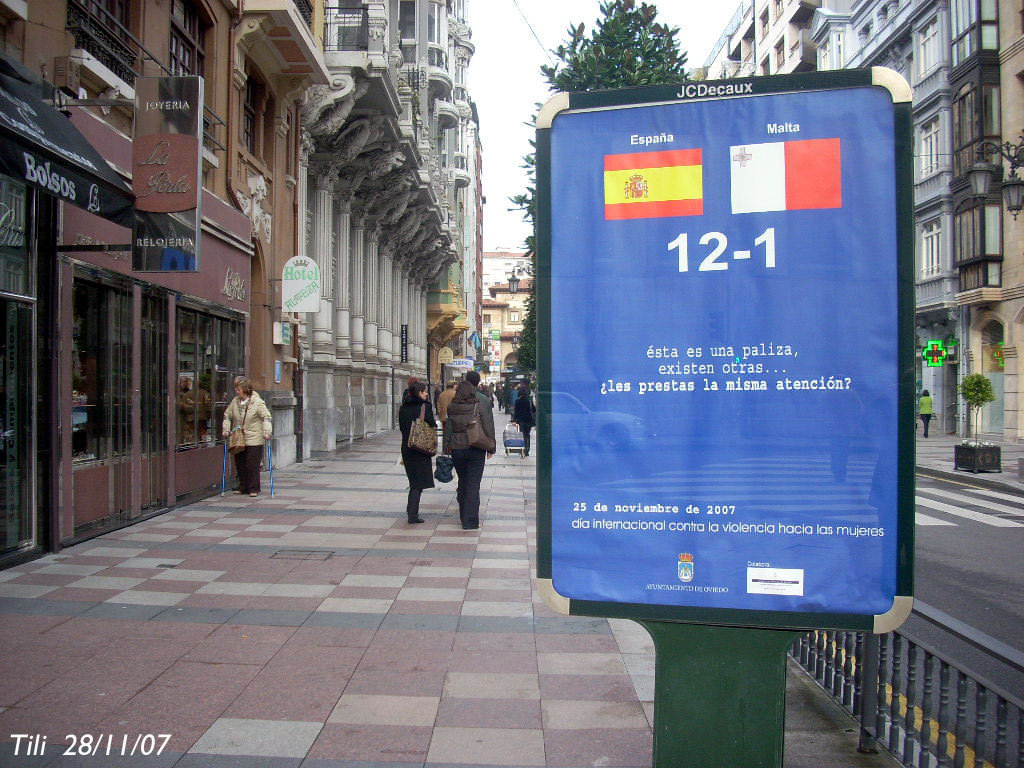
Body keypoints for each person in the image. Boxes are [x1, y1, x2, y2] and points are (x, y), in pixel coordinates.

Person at [445, 372, 495, 530]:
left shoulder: (454, 403)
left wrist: (446, 445)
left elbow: (449, 426)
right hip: (476, 446)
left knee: (463, 480)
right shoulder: (482, 400)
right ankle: (470, 520)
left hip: (457, 447)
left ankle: (463, 514)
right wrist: (491, 446)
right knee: (473, 483)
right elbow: (488, 423)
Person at [221, 378, 272, 497]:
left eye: (238, 389)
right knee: (240, 462)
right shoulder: (235, 401)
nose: (236, 391)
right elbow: (227, 415)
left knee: (252, 464)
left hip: (254, 437)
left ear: (245, 390)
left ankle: (253, 488)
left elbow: (266, 417)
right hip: (239, 437)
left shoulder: (257, 402)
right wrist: (226, 429)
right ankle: (243, 485)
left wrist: (267, 431)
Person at [398, 380, 436, 524]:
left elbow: (402, 427)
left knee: (413, 480)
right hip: (420, 448)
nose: (426, 394)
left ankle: (411, 511)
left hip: (407, 447)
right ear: (419, 393)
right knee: (418, 483)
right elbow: (431, 424)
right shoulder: (424, 406)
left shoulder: (403, 407)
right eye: (425, 391)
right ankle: (412, 514)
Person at [511, 385, 537, 457]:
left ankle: (523, 449)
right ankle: (527, 449)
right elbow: (534, 410)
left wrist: (514, 420)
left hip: (521, 421)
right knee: (527, 435)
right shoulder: (529, 401)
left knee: (522, 435)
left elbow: (516, 412)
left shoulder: (517, 401)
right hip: (529, 421)